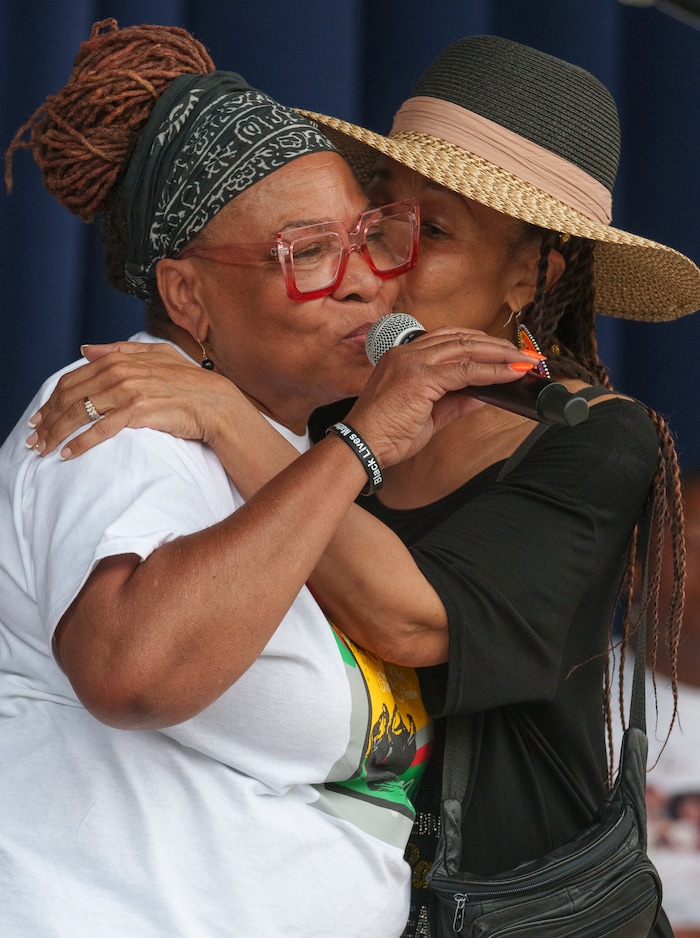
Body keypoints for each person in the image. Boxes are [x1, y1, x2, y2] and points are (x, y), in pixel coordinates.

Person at [19, 35, 700, 937]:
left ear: (533, 272)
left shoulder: (590, 437)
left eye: (437, 234)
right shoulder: (312, 414)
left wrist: (248, 423)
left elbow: (413, 619)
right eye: (381, 221)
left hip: (529, 911)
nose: (384, 265)